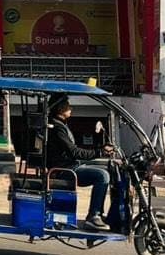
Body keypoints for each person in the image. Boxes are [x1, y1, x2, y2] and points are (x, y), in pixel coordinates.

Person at [46, 95, 114, 231]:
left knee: (108, 170)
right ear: (60, 109)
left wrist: (98, 150)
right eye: (68, 106)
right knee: (102, 176)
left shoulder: (61, 125)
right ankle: (93, 216)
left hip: (70, 166)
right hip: (65, 171)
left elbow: (74, 151)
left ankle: (99, 213)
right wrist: (99, 152)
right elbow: (74, 152)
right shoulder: (58, 128)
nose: (70, 108)